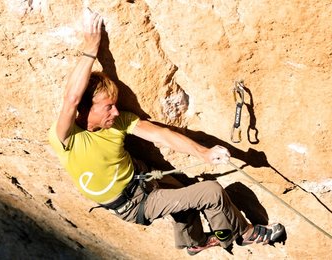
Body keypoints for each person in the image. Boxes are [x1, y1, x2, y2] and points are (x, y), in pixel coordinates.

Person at [48, 10, 286, 256]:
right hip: (135, 203)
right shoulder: (66, 139)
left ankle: (194, 242)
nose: (116, 112)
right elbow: (71, 99)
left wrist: (203, 153)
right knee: (211, 192)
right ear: (86, 108)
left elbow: (162, 135)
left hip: (142, 178)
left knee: (184, 194)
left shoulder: (119, 123)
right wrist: (91, 46)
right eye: (108, 107)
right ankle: (245, 234)